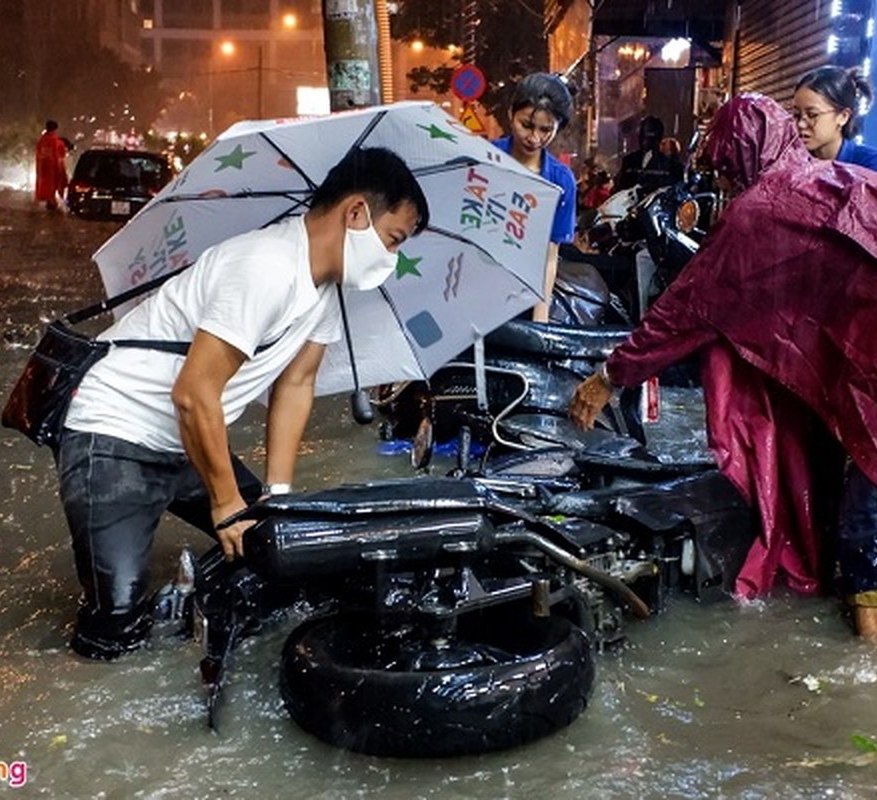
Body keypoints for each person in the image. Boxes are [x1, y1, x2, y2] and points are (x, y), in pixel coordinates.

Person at [568, 94, 877, 665]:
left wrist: (607, 378)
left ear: (742, 155)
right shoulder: (825, 182)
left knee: (876, 527)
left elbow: (685, 309)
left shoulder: (761, 209)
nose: (723, 183)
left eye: (724, 168)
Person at [56, 147, 429, 660]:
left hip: (186, 438)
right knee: (114, 628)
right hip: (116, 432)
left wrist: (275, 498)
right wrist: (229, 505)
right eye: (394, 240)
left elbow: (296, 385)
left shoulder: (323, 287)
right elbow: (193, 393)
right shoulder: (265, 266)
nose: (390, 257)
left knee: (279, 550)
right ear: (357, 213)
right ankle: (149, 617)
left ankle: (191, 604)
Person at [492, 72, 578, 323]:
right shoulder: (484, 158)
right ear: (511, 114)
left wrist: (540, 319)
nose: (534, 138)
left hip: (522, 297)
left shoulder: (561, 182)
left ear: (558, 127)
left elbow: (550, 257)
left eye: (545, 130)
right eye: (526, 125)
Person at [792, 66, 877, 174]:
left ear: (843, 116)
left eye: (812, 115)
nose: (801, 124)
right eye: (796, 115)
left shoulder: (869, 163)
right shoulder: (794, 162)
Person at [615, 116, 683, 194]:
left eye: (650, 137)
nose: (645, 141)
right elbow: (619, 190)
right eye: (643, 136)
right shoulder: (629, 160)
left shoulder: (672, 166)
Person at [34, 120, 69, 211]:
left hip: (42, 169)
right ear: (55, 129)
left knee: (46, 187)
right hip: (53, 169)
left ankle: (50, 200)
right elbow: (61, 156)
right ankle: (53, 201)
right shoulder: (57, 142)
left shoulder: (41, 141)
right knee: (54, 185)